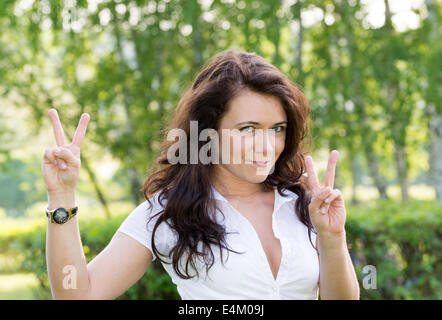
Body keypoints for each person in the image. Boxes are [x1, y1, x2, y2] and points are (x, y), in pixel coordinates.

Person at [43, 49, 360, 300]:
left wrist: (332, 237)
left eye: (277, 129)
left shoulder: (304, 203)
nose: (267, 146)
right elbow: (76, 294)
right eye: (248, 129)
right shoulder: (169, 212)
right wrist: (61, 196)